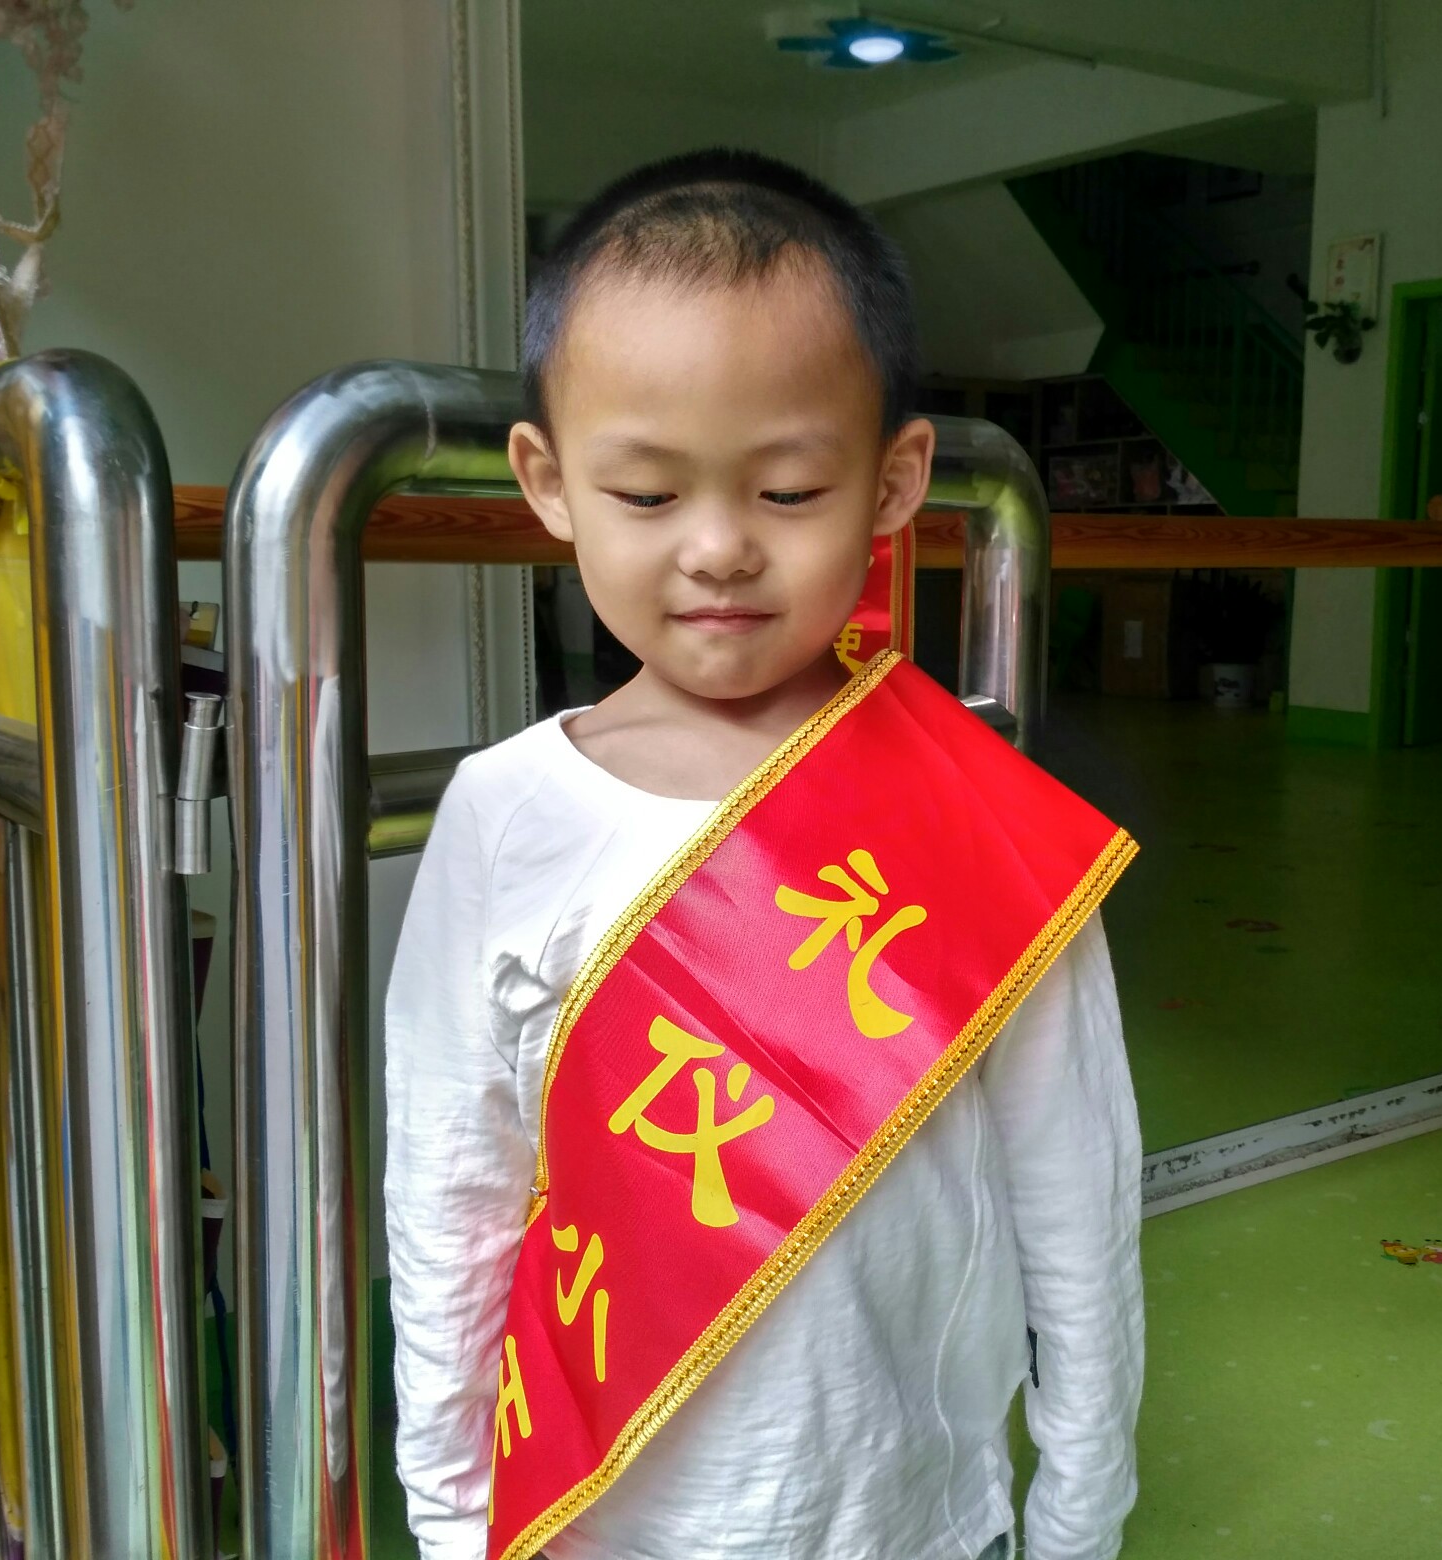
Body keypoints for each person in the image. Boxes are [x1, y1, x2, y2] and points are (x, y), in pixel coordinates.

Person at [383, 148, 1143, 1560]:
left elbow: (1076, 1191)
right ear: (548, 483)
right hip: (597, 1519)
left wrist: (1080, 1507)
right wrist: (448, 1521)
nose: (720, 548)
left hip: (917, 1521)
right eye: (646, 495)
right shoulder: (501, 815)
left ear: (895, 481)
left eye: (789, 491)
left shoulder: (973, 819)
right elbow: (451, 1199)